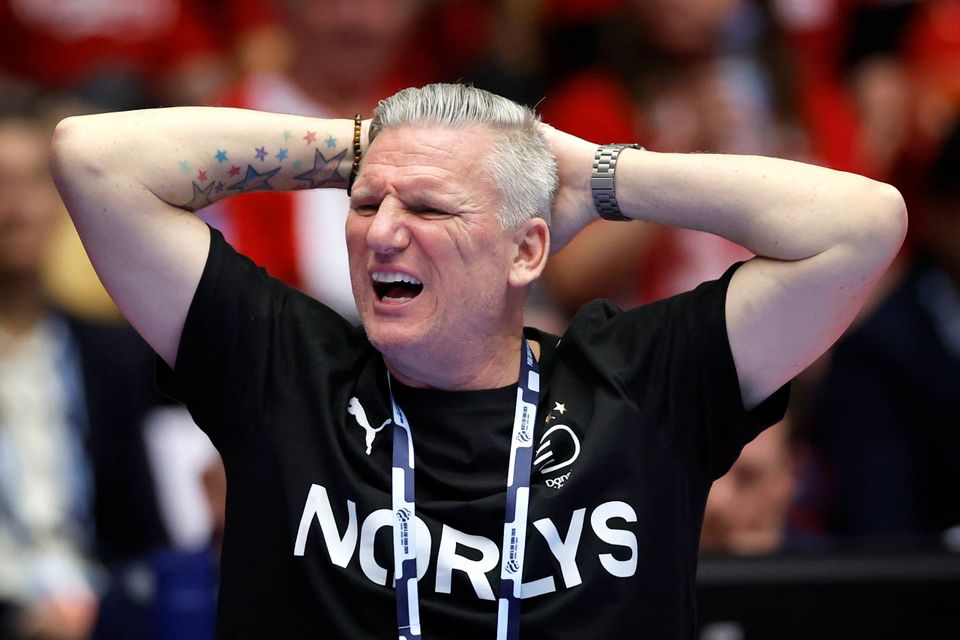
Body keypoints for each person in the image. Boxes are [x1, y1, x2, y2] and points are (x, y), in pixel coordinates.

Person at [49, 83, 906, 637]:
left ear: (526, 250)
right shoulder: (283, 366)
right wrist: (381, 142)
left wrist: (594, 176)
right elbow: (94, 159)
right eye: (366, 201)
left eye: (428, 207)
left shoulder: (640, 382)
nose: (383, 232)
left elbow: (861, 225)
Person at [0, 107, 171, 639]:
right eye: (0, 183)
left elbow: (143, 532)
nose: (16, 208)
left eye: (34, 182)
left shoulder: (112, 354)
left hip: (105, 614)